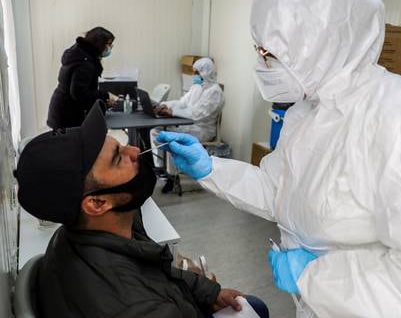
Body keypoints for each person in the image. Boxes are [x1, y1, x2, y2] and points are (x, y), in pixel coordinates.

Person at [155, 0, 401, 317]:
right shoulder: (307, 112)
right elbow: (279, 192)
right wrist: (209, 169)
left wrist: (314, 275)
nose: (262, 64)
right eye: (260, 51)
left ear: (317, 45)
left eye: (270, 54)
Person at [15, 101, 269, 318]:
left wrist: (209, 292)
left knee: (253, 304)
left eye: (120, 145)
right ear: (96, 203)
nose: (135, 150)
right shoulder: (134, 307)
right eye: (118, 158)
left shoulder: (97, 229)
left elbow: (156, 272)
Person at [150, 57, 224, 193]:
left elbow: (198, 113)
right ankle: (162, 168)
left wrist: (172, 112)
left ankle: (173, 176)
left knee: (171, 138)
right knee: (157, 130)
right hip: (190, 124)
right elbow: (182, 102)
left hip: (203, 129)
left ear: (205, 73)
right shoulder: (197, 87)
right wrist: (165, 106)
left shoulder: (215, 91)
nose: (194, 76)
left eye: (196, 73)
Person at [47, 26, 117, 129]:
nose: (110, 48)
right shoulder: (85, 63)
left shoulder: (79, 54)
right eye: (109, 44)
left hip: (61, 112)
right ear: (100, 44)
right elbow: (79, 93)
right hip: (67, 117)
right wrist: (106, 95)